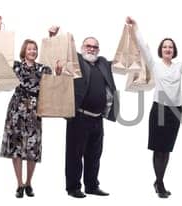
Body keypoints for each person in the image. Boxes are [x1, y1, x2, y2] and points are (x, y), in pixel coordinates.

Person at [128, 17, 182, 199]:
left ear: (174, 51)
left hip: (175, 111)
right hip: (159, 109)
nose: (168, 49)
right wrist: (135, 27)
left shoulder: (179, 67)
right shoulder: (155, 65)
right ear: (161, 50)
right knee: (157, 148)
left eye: (171, 47)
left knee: (166, 149)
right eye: (165, 46)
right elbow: (143, 47)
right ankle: (159, 183)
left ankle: (158, 181)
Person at [48, 26, 119, 198]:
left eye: (94, 47)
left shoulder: (103, 63)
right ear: (82, 47)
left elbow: (123, 61)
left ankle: (92, 186)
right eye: (88, 45)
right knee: (74, 154)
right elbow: (59, 55)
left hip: (97, 118)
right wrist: (52, 37)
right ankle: (73, 188)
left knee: (94, 155)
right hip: (79, 116)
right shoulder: (77, 61)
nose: (91, 49)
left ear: (99, 50)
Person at [1, 38, 64, 198]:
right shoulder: (15, 66)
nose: (33, 51)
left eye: (35, 49)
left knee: (32, 147)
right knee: (16, 146)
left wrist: (58, 72)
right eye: (29, 49)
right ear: (24, 51)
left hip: (35, 109)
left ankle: (28, 182)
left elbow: (53, 84)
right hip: (16, 109)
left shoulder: (43, 69)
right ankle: (19, 184)